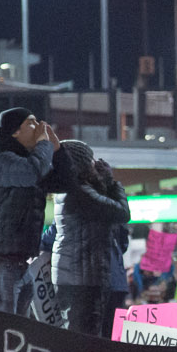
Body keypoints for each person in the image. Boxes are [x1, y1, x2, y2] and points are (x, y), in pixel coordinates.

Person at [0, 107, 59, 327]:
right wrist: (44, 145)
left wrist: (57, 150)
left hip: (20, 263)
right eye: (31, 123)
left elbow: (65, 182)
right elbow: (31, 173)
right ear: (15, 132)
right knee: (2, 337)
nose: (38, 126)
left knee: (18, 338)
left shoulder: (34, 159)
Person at [51, 143, 130, 337]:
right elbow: (121, 212)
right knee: (84, 339)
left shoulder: (74, 190)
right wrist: (111, 183)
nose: (96, 165)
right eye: (91, 160)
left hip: (79, 275)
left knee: (85, 336)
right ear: (81, 164)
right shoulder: (79, 193)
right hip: (82, 280)